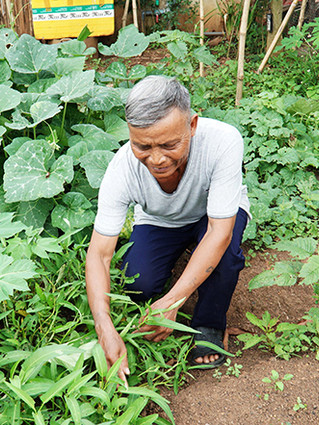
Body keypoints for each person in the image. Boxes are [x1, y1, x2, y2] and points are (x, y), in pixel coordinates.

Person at [84, 75, 250, 384]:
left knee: (224, 254)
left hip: (214, 215)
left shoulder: (223, 141)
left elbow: (219, 232)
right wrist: (103, 326)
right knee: (138, 284)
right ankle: (183, 262)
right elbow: (99, 255)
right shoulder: (121, 169)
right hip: (160, 220)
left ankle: (209, 323)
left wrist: (174, 300)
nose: (157, 159)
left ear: (192, 125)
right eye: (142, 146)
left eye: (170, 145)